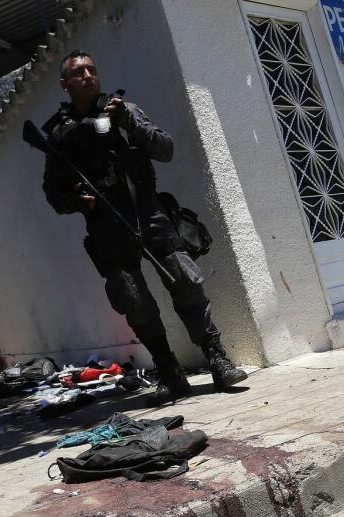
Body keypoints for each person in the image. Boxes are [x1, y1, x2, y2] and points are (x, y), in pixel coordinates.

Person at [40, 50, 247, 405]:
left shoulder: (123, 110)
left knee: (185, 281)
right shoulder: (59, 133)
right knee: (134, 302)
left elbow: (165, 148)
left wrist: (128, 124)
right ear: (65, 84)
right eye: (78, 72)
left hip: (148, 213)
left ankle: (217, 359)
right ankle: (170, 374)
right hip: (106, 225)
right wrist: (77, 198)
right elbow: (53, 193)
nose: (88, 76)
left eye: (92, 69)